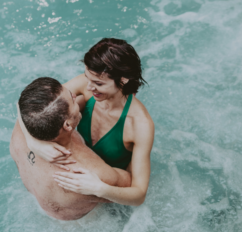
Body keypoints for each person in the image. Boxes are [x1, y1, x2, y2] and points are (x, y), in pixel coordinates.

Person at [18, 38, 154, 206]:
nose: (89, 87)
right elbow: (30, 105)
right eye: (87, 77)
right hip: (83, 165)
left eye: (98, 83)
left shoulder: (139, 125)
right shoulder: (86, 85)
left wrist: (98, 188)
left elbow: (139, 195)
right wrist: (34, 143)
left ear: (124, 80)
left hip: (111, 192)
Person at [10, 77, 132, 221]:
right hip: (90, 221)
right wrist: (135, 141)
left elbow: (20, 104)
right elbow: (130, 185)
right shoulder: (88, 174)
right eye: (72, 99)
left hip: (40, 203)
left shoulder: (21, 131)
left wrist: (32, 142)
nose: (75, 95)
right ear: (67, 126)